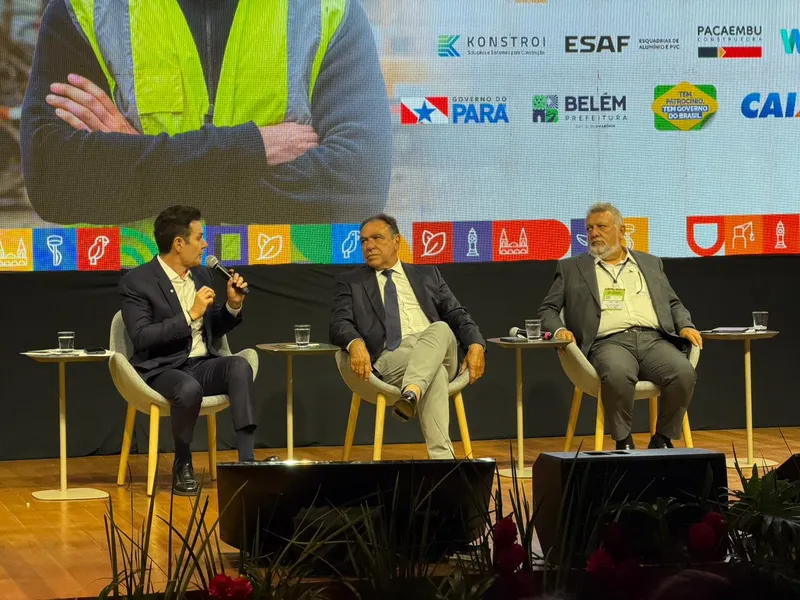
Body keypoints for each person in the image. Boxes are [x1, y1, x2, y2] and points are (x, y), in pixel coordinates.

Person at [20, 0, 391, 226]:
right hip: (134, 299)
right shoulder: (86, 9)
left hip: (280, 291)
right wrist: (248, 148)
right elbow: (55, 182)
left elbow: (359, 183)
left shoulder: (326, 10)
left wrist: (140, 157)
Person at [119, 205, 272, 496]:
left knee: (239, 366)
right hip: (162, 368)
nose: (204, 245)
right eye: (199, 237)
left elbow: (214, 326)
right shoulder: (137, 282)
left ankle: (247, 461)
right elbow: (141, 337)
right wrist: (189, 314)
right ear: (179, 243)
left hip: (202, 363)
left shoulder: (201, 275)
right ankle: (183, 462)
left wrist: (233, 305)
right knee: (187, 388)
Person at [538, 202, 703, 450]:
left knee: (683, 373)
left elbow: (673, 302)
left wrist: (685, 325)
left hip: (653, 340)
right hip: (608, 343)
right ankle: (623, 440)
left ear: (622, 230)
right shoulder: (571, 268)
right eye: (590, 228)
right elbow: (547, 310)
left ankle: (662, 438)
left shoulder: (650, 263)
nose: (594, 233)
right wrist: (559, 331)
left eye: (601, 226)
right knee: (616, 374)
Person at [329, 214, 486, 459]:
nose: (368, 246)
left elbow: (457, 314)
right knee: (435, 373)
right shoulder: (351, 282)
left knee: (441, 329)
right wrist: (355, 342)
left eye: (377, 238)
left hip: (438, 350)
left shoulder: (427, 275)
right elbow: (339, 323)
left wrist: (476, 344)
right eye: (363, 241)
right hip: (390, 360)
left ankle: (411, 393)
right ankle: (443, 462)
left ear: (396, 241)